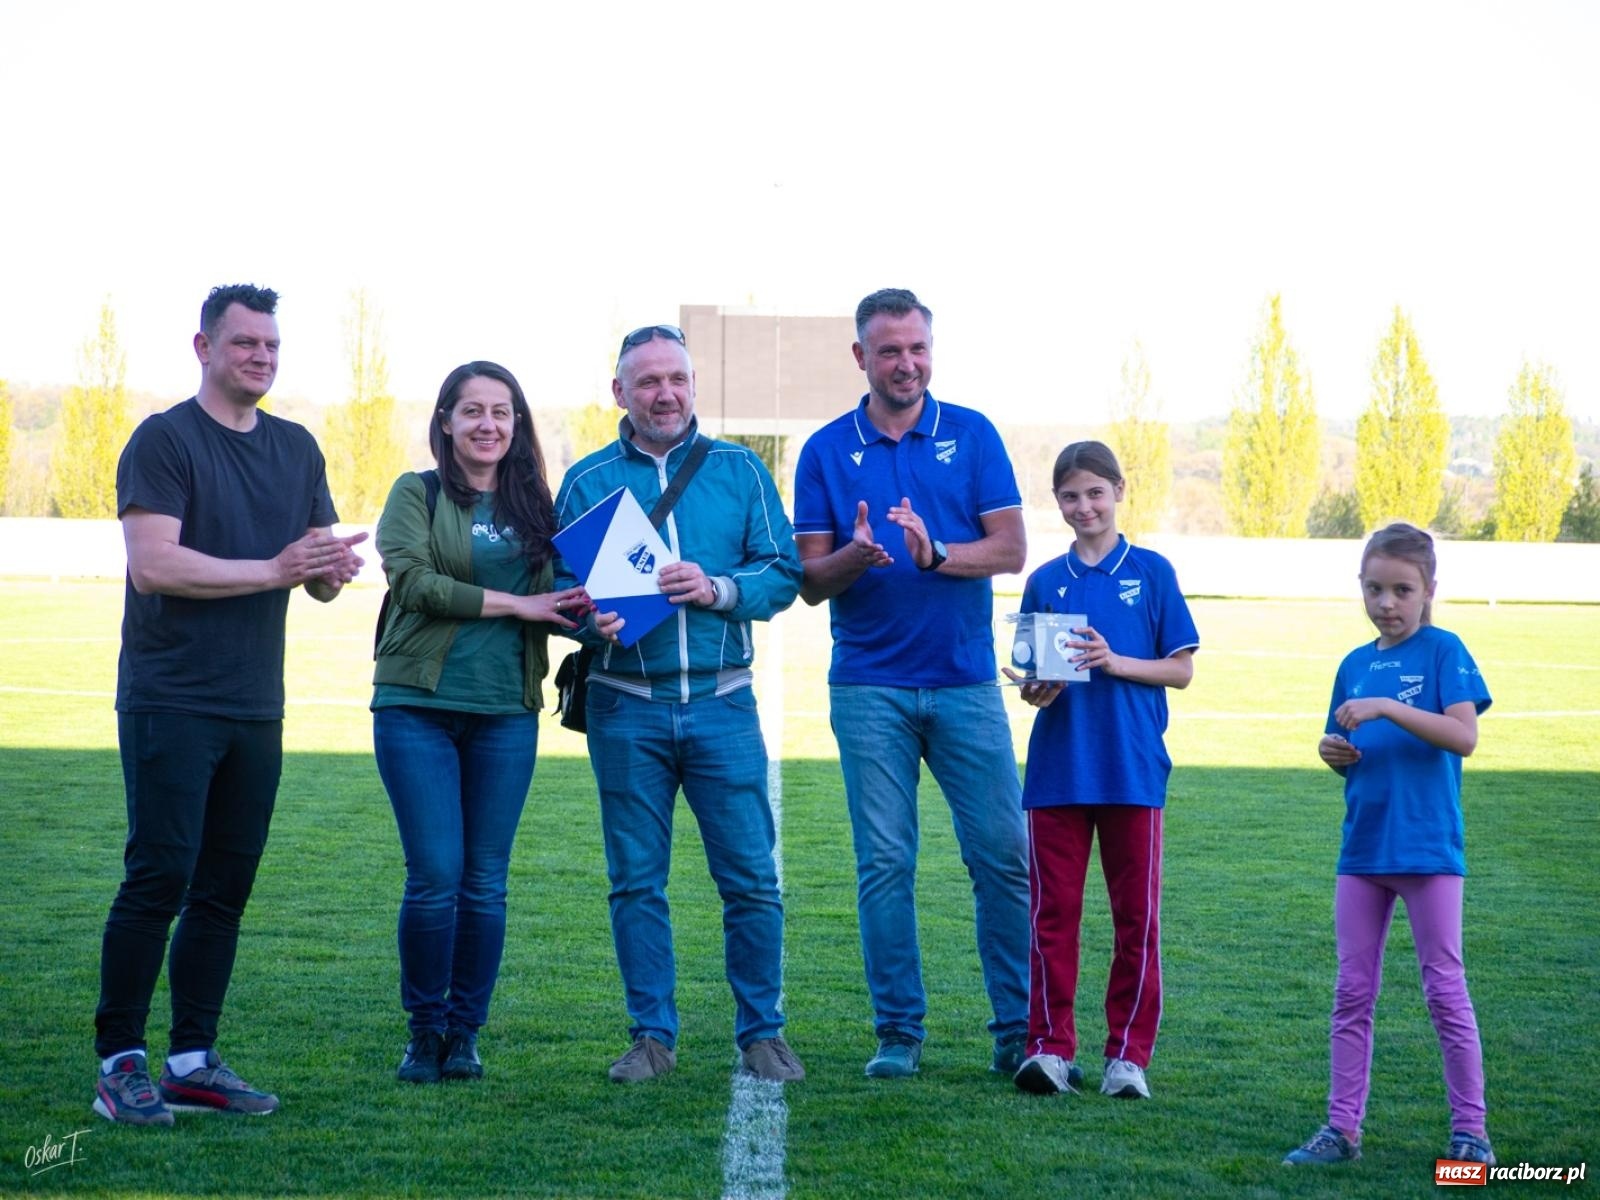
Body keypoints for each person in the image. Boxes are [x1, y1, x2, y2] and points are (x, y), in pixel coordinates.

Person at [94, 284, 366, 1126]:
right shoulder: (164, 441)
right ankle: (120, 1064)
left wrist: (328, 570)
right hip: (170, 698)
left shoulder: (297, 448)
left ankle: (191, 1060)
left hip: (256, 703)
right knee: (159, 877)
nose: (262, 357)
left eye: (272, 346)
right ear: (204, 347)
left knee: (223, 888)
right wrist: (279, 569)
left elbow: (312, 576)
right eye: (245, 343)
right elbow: (156, 566)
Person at [552, 324, 805, 1084]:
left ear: (694, 385)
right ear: (619, 392)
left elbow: (783, 572)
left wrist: (719, 589)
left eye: (677, 379)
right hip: (625, 705)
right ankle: (651, 1037)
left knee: (751, 881)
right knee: (635, 880)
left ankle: (762, 1033)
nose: (665, 392)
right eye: (648, 381)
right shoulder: (588, 480)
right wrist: (585, 619)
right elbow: (559, 597)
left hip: (724, 705)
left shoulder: (739, 470)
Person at [792, 287, 1031, 1079]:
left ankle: (1019, 1031)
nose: (907, 363)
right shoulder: (826, 450)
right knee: (885, 863)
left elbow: (1010, 549)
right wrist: (855, 557)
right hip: (869, 689)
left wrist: (936, 556)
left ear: (933, 350)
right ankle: (899, 1033)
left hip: (965, 685)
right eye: (889, 350)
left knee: (1001, 856)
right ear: (861, 357)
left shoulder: (974, 433)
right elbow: (810, 580)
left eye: (918, 348)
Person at [372, 361, 589, 1084]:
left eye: (502, 412)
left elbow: (562, 600)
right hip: (418, 707)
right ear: (446, 421)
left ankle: (465, 1033)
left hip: (505, 711)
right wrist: (519, 606)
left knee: (485, 882)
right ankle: (422, 1031)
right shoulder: (417, 492)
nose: (488, 424)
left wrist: (597, 614)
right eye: (472, 411)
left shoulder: (539, 508)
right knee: (435, 876)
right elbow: (415, 583)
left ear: (517, 424)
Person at [1284, 522, 1494, 1167]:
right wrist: (1333, 753)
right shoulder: (1354, 663)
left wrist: (1387, 708)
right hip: (1363, 853)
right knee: (1352, 994)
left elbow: (1463, 736)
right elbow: (1347, 749)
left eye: (1402, 590)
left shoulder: (1443, 650)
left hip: (1429, 852)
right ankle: (1341, 1129)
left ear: (1429, 589)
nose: (1387, 604)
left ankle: (1471, 1135)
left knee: (1444, 991)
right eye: (1374, 589)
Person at [1003, 441, 1198, 1102]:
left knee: (1134, 920)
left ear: (1118, 491)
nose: (1083, 506)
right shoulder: (1045, 581)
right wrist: (1035, 690)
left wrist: (1114, 661)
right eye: (1069, 495)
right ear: (1056, 502)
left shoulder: (1153, 572)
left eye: (1094, 492)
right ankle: (1051, 1049)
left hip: (1132, 771)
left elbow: (1181, 669)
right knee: (1052, 917)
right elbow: (1036, 680)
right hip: (1058, 770)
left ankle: (1127, 1057)